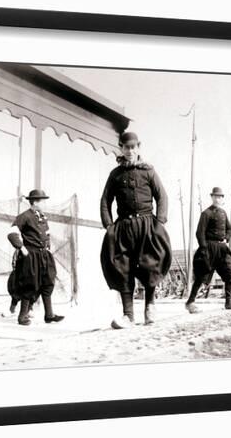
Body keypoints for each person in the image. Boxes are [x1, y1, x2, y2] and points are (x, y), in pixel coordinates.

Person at [100, 131, 172, 329]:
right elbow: (105, 201)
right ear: (120, 148)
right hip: (123, 228)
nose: (130, 151)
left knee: (150, 264)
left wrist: (160, 222)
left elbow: (162, 196)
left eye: (133, 147)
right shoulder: (115, 175)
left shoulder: (148, 171)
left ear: (138, 147)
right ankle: (128, 315)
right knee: (123, 268)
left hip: (147, 225)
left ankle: (150, 307)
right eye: (126, 147)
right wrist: (109, 225)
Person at [6, 189, 65, 326]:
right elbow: (12, 233)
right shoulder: (25, 216)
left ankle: (49, 315)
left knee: (48, 281)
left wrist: (48, 249)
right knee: (30, 284)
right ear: (36, 202)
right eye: (43, 201)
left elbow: (47, 235)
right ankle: (22, 317)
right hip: (31, 256)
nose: (45, 204)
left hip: (45, 255)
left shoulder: (42, 217)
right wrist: (21, 247)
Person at [186, 186, 231, 313]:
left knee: (230, 271)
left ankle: (228, 301)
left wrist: (226, 238)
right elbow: (199, 233)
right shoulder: (206, 213)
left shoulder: (223, 213)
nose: (218, 199)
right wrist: (204, 250)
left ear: (222, 199)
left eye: (220, 197)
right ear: (212, 197)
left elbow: (229, 229)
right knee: (201, 276)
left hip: (222, 249)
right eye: (216, 196)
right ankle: (190, 302)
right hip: (209, 248)